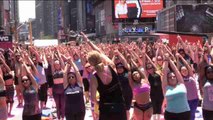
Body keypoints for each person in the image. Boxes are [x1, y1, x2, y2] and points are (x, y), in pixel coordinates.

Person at [81, 32, 127, 120]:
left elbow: (93, 98)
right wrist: (88, 42)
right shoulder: (111, 66)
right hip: (119, 106)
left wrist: (99, 103)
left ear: (90, 63)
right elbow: (100, 52)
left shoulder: (94, 77)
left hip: (105, 109)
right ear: (100, 58)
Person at [162, 53, 190, 120]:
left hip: (185, 113)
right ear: (167, 79)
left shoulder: (181, 84)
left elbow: (176, 70)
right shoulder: (166, 87)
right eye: (170, 77)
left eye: (174, 76)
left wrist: (170, 60)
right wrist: (166, 61)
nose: (172, 78)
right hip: (170, 114)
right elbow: (164, 73)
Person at [176, 53, 199, 120]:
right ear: (180, 72)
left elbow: (187, 64)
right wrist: (177, 58)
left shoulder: (191, 76)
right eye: (182, 71)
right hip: (185, 100)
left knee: (192, 115)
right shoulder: (180, 79)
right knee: (186, 116)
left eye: (185, 70)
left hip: (195, 100)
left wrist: (181, 57)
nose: (184, 72)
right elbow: (177, 69)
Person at [113, 50, 133, 120]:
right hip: (119, 95)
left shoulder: (127, 73)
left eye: (121, 67)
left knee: (127, 109)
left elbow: (124, 61)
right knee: (120, 110)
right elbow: (112, 65)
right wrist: (114, 56)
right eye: (118, 68)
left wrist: (118, 53)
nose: (120, 69)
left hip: (128, 93)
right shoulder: (115, 74)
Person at [50, 49, 65, 120]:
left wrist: (58, 52)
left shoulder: (63, 70)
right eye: (55, 64)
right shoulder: (53, 71)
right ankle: (59, 118)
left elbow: (61, 60)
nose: (56, 65)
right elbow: (52, 61)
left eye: (58, 63)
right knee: (57, 105)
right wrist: (53, 53)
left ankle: (62, 117)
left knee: (63, 104)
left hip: (62, 89)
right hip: (55, 89)